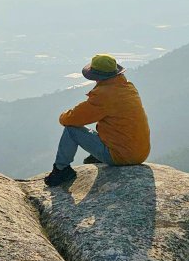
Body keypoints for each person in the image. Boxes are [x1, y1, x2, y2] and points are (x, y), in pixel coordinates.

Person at [45, 53, 150, 186]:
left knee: (71, 130)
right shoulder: (128, 87)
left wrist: (63, 115)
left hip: (121, 156)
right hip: (140, 153)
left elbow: (70, 119)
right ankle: (98, 157)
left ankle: (61, 170)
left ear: (96, 76)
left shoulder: (104, 95)